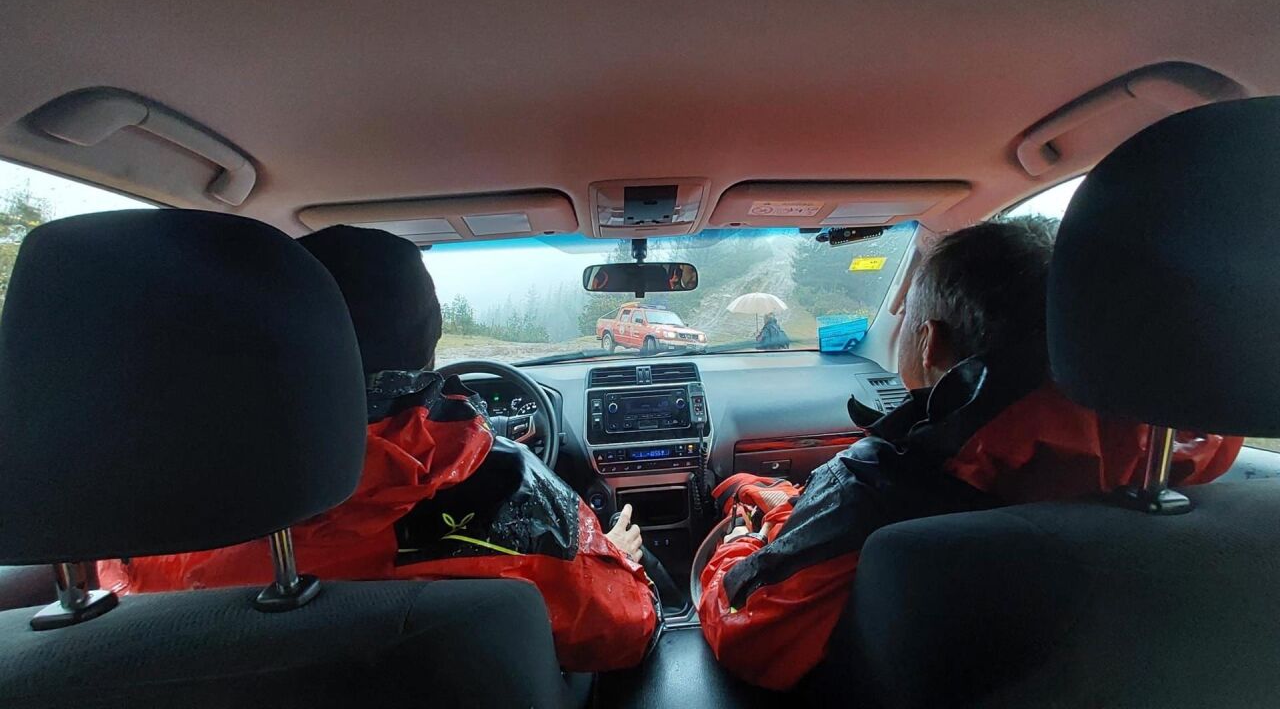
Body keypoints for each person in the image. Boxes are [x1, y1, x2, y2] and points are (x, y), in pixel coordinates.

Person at [697, 220, 1243, 690]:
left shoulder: (878, 491)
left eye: (905, 318)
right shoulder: (1190, 471)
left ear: (929, 342)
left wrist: (744, 535)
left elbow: (749, 633)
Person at [99, 225, 660, 672]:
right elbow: (623, 634)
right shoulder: (500, 491)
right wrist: (609, 555)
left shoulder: (145, 528)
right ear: (427, 345)